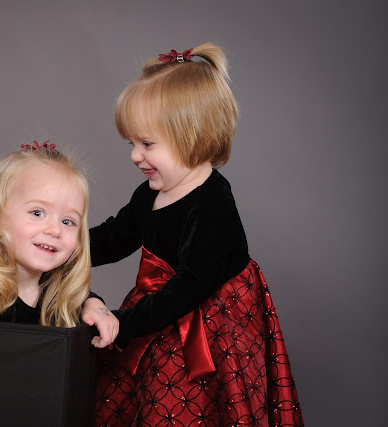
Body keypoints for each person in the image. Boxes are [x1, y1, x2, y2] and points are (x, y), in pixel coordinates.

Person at [90, 44, 303, 425]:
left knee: (184, 406)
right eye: (132, 144)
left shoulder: (212, 202)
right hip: (160, 308)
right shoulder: (149, 194)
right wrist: (64, 249)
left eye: (147, 144)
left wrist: (125, 323)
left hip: (209, 324)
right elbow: (114, 238)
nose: (135, 156)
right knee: (119, 394)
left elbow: (192, 284)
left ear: (192, 135)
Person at [0, 141, 118, 347]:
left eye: (67, 221)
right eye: (37, 213)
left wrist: (93, 303)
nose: (55, 230)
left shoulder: (63, 300)